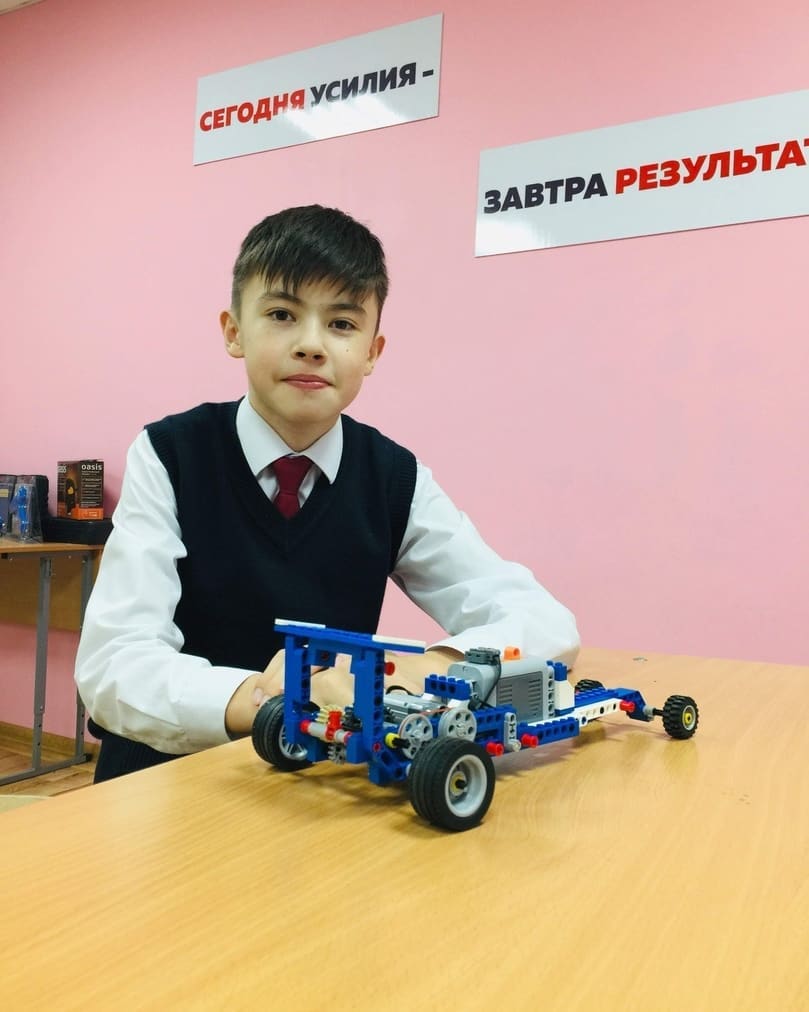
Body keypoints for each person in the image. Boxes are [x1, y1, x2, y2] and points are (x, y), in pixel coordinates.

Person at [75, 204, 580, 782]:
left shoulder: (393, 476)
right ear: (234, 332)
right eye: (282, 314)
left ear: (372, 352)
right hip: (161, 779)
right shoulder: (170, 454)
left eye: (341, 324)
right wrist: (264, 702)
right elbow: (113, 664)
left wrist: (426, 674)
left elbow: (543, 620)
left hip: (321, 788)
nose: (312, 345)